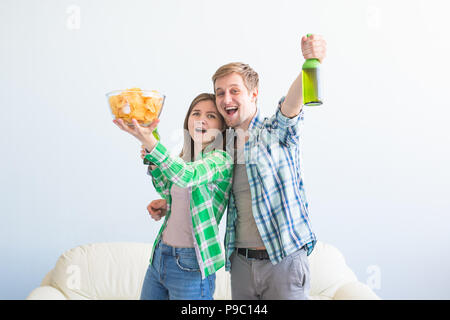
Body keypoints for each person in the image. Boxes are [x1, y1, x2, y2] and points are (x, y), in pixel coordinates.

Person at [209, 34, 327, 300]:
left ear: (254, 94)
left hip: (283, 262)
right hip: (241, 264)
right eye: (220, 93)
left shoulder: (275, 131)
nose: (226, 98)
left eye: (234, 90)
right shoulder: (220, 148)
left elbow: (292, 103)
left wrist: (311, 60)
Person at [113, 93, 233, 300]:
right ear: (188, 120)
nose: (201, 119)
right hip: (161, 255)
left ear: (222, 127)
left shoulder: (220, 160)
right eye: (196, 113)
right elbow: (165, 187)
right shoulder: (185, 158)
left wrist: (151, 143)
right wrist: (154, 163)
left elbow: (189, 176)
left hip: (192, 264)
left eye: (211, 116)